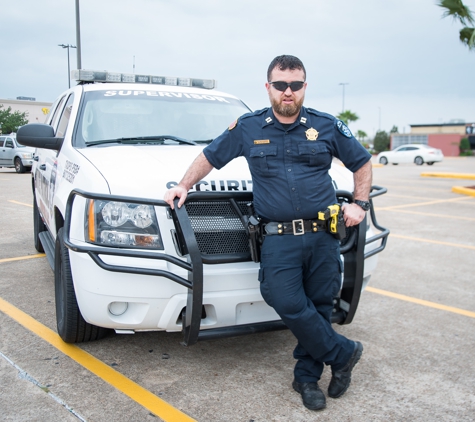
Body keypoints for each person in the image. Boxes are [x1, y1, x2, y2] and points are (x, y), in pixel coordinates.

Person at [164, 55, 372, 411]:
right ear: (268, 88)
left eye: (295, 85)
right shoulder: (248, 127)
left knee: (319, 306)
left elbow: (362, 161)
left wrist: (360, 203)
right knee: (285, 299)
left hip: (324, 235)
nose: (287, 92)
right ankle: (343, 352)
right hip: (279, 239)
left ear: (304, 87)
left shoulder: (326, 125)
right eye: (280, 85)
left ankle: (306, 379)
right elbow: (211, 156)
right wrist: (183, 184)